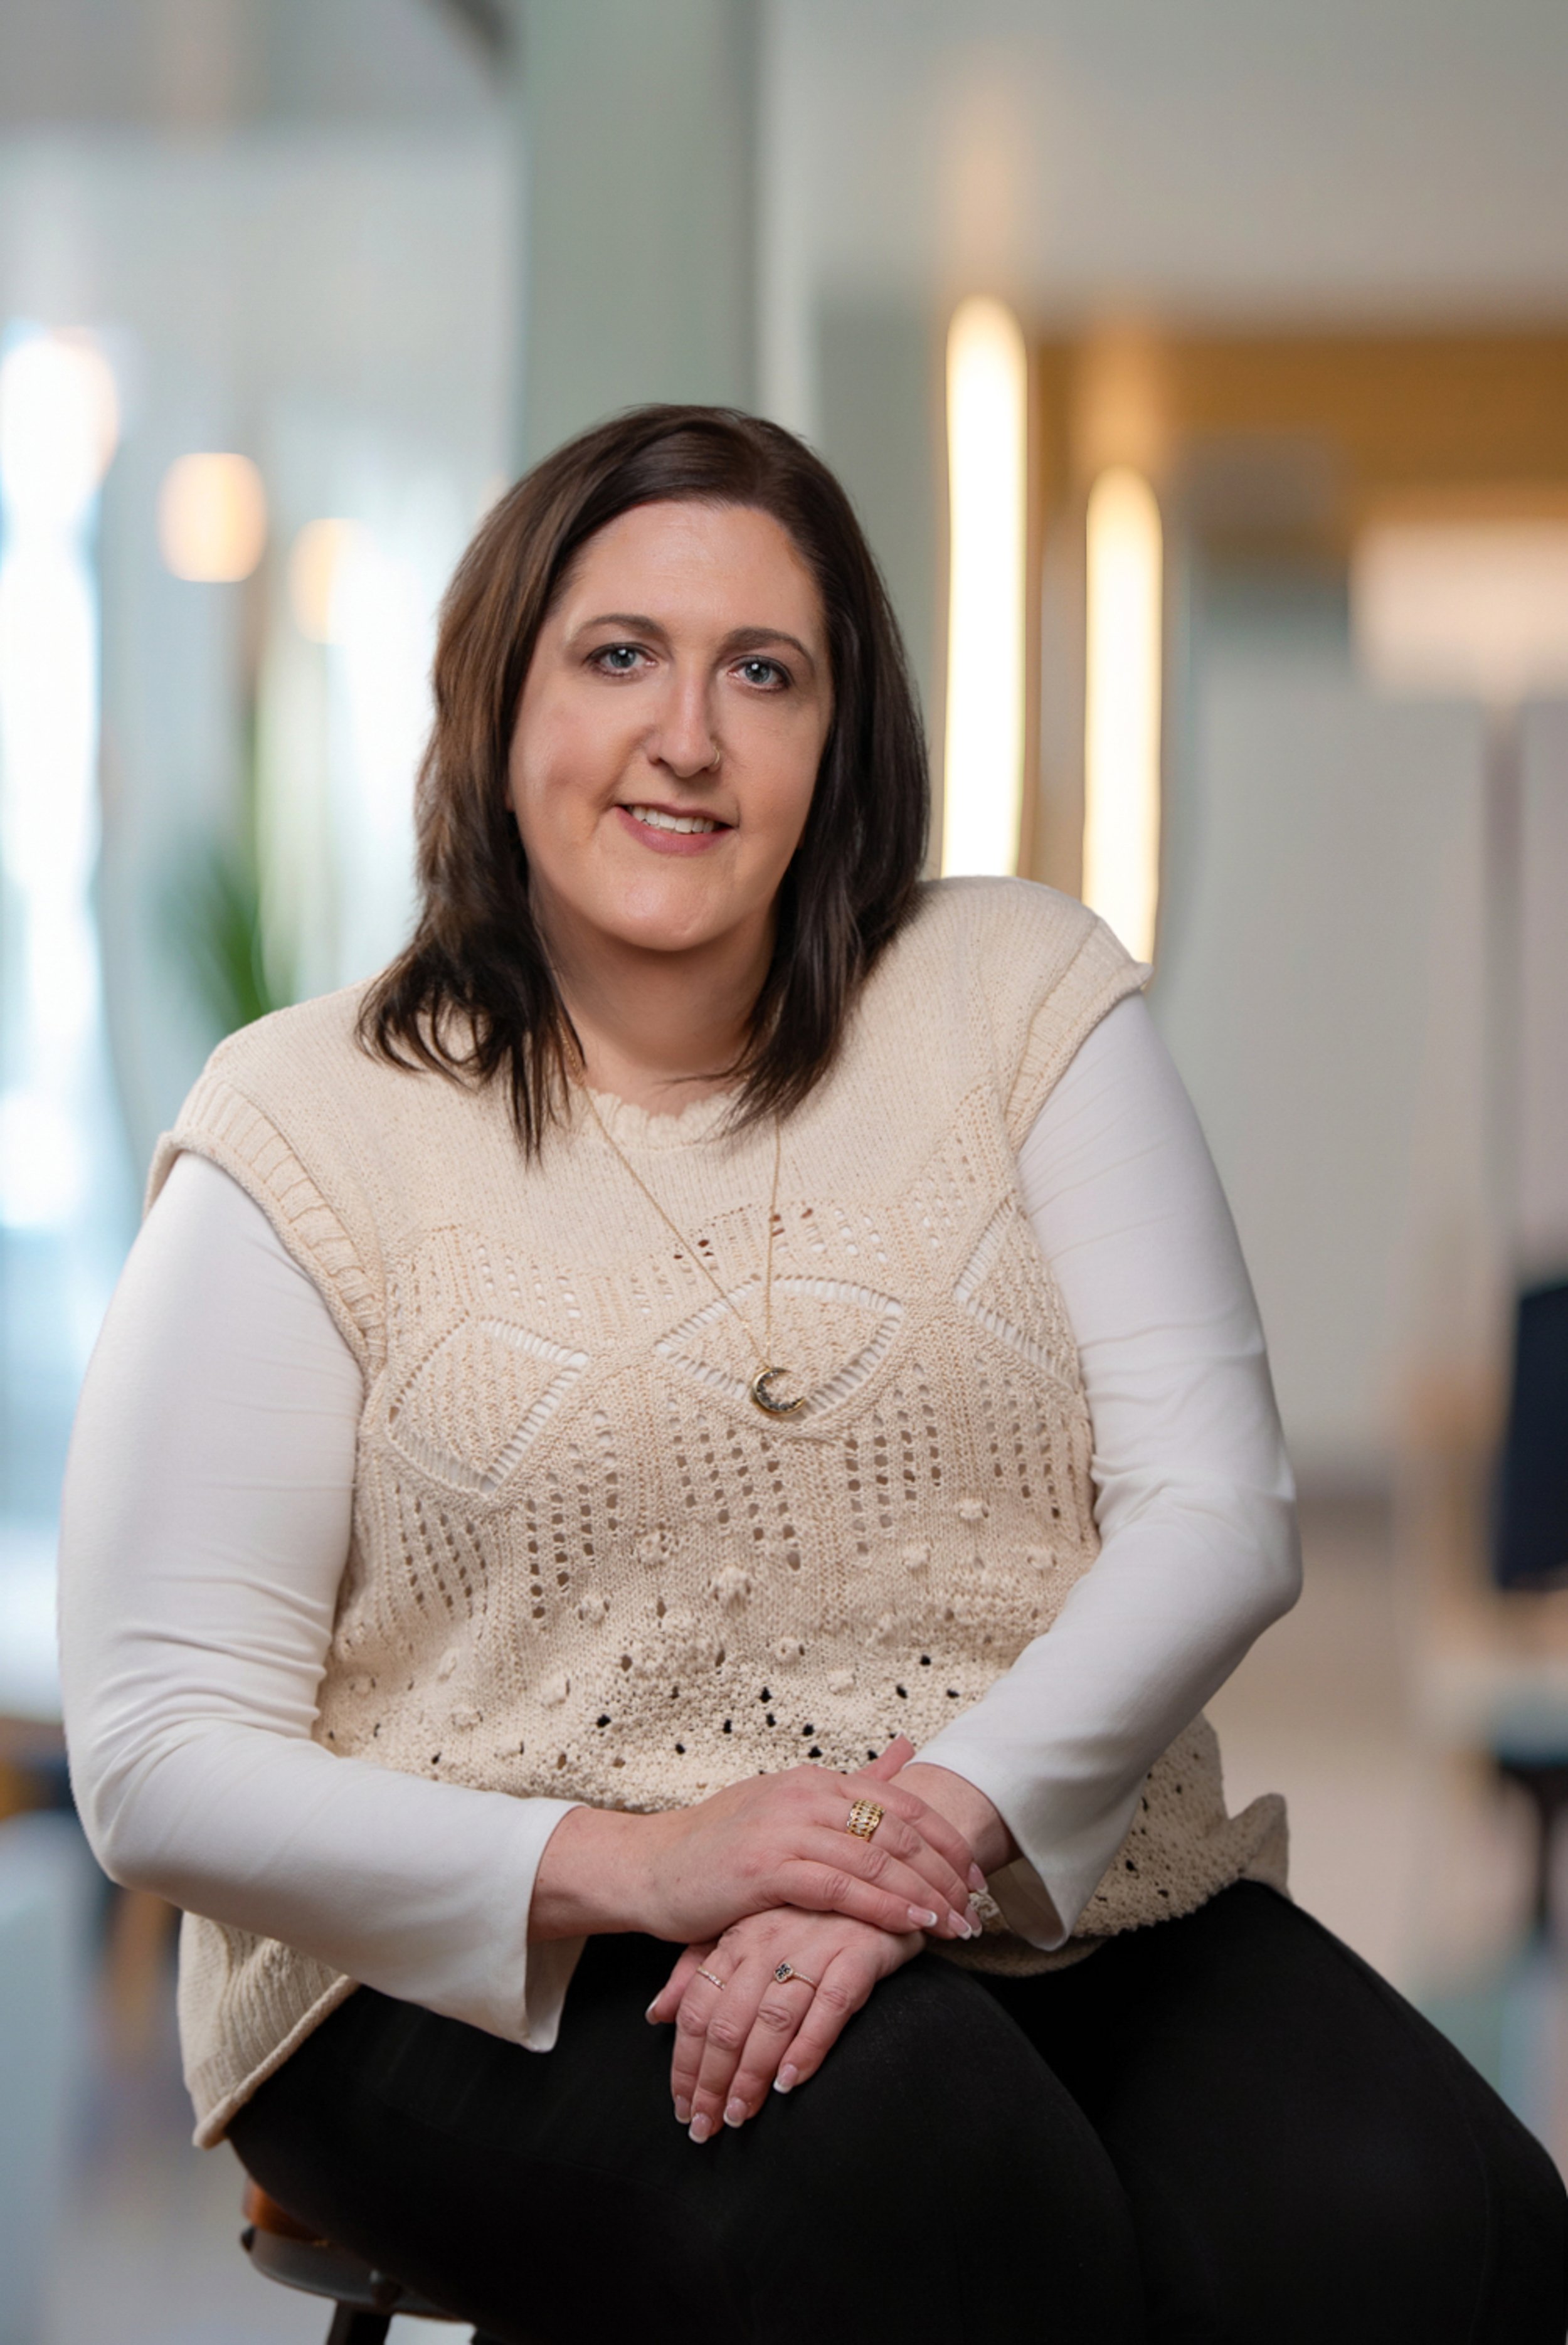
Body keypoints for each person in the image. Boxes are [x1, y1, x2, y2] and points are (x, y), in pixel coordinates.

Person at [60, 406, 1566, 2344]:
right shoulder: (305, 1118)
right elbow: (160, 1756)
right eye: (619, 655)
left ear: (841, 740)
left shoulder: (1014, 991)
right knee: (936, 2182)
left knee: (1441, 2224)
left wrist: (910, 1834)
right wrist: (659, 1860)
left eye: (761, 672)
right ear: (496, 702)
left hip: (1020, 1858)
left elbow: (1215, 1513)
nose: (686, 734)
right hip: (470, 1943)